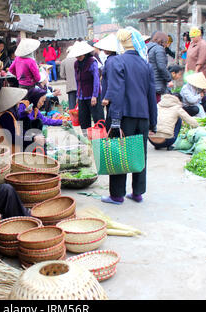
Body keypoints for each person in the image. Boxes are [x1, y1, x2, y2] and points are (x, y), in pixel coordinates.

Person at [101, 27, 157, 205]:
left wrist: (115, 120)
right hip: (143, 116)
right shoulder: (145, 64)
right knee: (139, 154)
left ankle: (117, 195)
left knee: (119, 154)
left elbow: (116, 92)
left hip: (123, 116)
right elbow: (151, 95)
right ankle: (138, 193)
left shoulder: (116, 61)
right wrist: (153, 122)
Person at [0, 87, 46, 154]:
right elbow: (13, 138)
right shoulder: (5, 116)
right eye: (18, 103)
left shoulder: (9, 114)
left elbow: (17, 130)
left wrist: (32, 136)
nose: (19, 104)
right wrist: (33, 139)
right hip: (7, 152)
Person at [68, 41, 104, 135]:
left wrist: (94, 96)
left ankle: (100, 139)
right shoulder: (76, 64)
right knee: (83, 120)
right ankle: (87, 139)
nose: (78, 57)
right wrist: (77, 95)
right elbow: (77, 80)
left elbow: (96, 79)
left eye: (80, 55)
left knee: (98, 118)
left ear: (85, 53)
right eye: (77, 55)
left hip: (93, 95)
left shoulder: (92, 61)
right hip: (81, 96)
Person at [95, 33, 121, 129]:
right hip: (115, 96)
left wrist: (107, 97)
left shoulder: (111, 61)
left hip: (112, 98)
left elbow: (112, 80)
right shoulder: (115, 59)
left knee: (111, 123)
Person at [147, 31, 173, 103]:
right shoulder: (159, 49)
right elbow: (161, 66)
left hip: (147, 82)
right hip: (157, 82)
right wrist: (169, 79)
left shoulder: (146, 47)